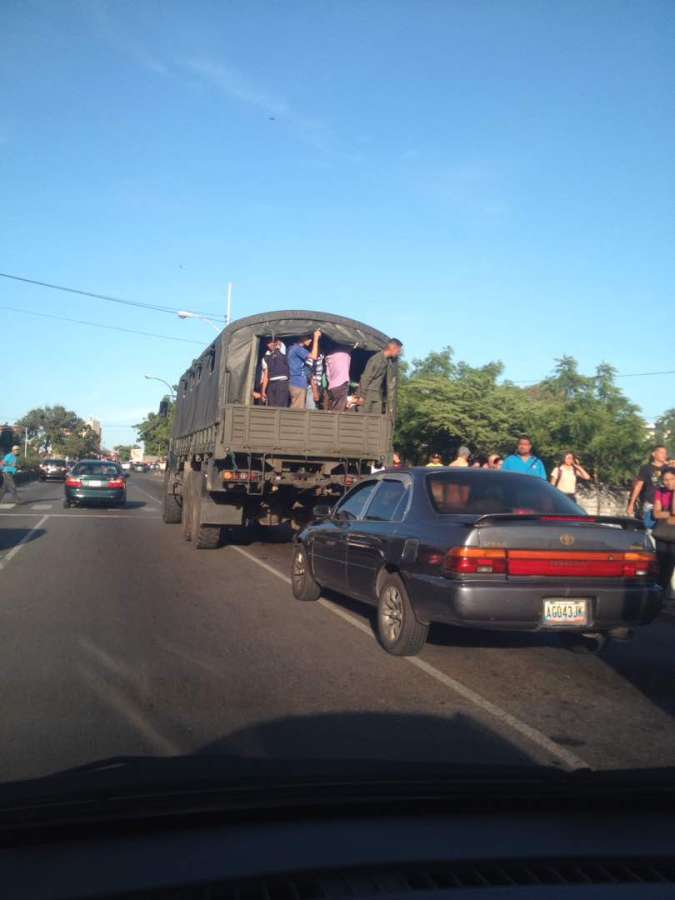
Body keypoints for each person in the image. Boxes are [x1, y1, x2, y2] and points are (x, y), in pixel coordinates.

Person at [357, 338, 403, 414]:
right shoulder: (376, 359)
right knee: (364, 418)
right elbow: (365, 377)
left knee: (376, 420)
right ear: (392, 348)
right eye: (398, 350)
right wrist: (361, 396)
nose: (398, 353)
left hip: (377, 394)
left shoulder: (388, 361)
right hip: (367, 393)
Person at [627, 445, 669, 528]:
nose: (664, 455)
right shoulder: (646, 468)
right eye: (661, 452)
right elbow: (638, 486)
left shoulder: (669, 469)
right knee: (650, 529)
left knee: (665, 529)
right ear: (654, 454)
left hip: (665, 505)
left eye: (665, 453)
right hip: (650, 503)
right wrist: (631, 504)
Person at [652, 466, 675, 594]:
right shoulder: (660, 491)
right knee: (661, 560)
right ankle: (660, 588)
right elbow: (656, 514)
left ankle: (663, 588)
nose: (668, 482)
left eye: (671, 479)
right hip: (663, 531)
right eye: (665, 480)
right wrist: (669, 515)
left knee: (671, 561)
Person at [287, 330, 321, 409]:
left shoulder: (292, 348)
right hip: (298, 383)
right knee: (297, 410)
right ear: (302, 338)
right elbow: (314, 356)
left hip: (296, 383)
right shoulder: (297, 349)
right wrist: (316, 339)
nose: (310, 340)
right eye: (309, 338)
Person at [260, 339, 290, 408]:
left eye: (273, 342)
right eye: (269, 343)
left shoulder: (282, 350)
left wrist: (277, 342)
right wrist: (263, 391)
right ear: (267, 345)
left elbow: (280, 342)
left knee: (281, 407)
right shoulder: (265, 358)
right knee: (271, 406)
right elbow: (266, 375)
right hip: (271, 384)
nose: (272, 344)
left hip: (282, 383)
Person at [324, 342, 352, 411]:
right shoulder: (346, 355)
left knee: (333, 406)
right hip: (342, 383)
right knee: (339, 409)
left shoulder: (329, 357)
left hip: (332, 386)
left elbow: (328, 374)